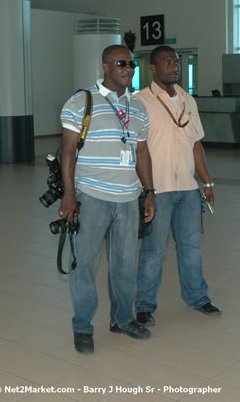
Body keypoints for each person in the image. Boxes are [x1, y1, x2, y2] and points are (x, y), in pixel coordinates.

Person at [59, 45, 156, 353]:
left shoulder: (138, 107)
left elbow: (141, 152)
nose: (128, 68)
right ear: (105, 66)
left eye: (131, 64)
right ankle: (83, 327)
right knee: (84, 265)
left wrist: (149, 192)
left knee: (125, 265)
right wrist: (69, 194)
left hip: (128, 200)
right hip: (92, 197)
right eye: (121, 63)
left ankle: (122, 319)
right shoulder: (81, 101)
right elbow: (68, 151)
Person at [135, 45, 221, 326]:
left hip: (187, 187)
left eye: (176, 62)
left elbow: (195, 144)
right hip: (157, 190)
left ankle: (198, 297)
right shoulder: (140, 102)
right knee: (153, 250)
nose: (173, 67)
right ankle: (144, 305)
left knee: (191, 246)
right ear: (153, 68)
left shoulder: (188, 100)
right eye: (167, 62)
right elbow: (137, 149)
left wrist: (206, 182)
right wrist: (145, 190)